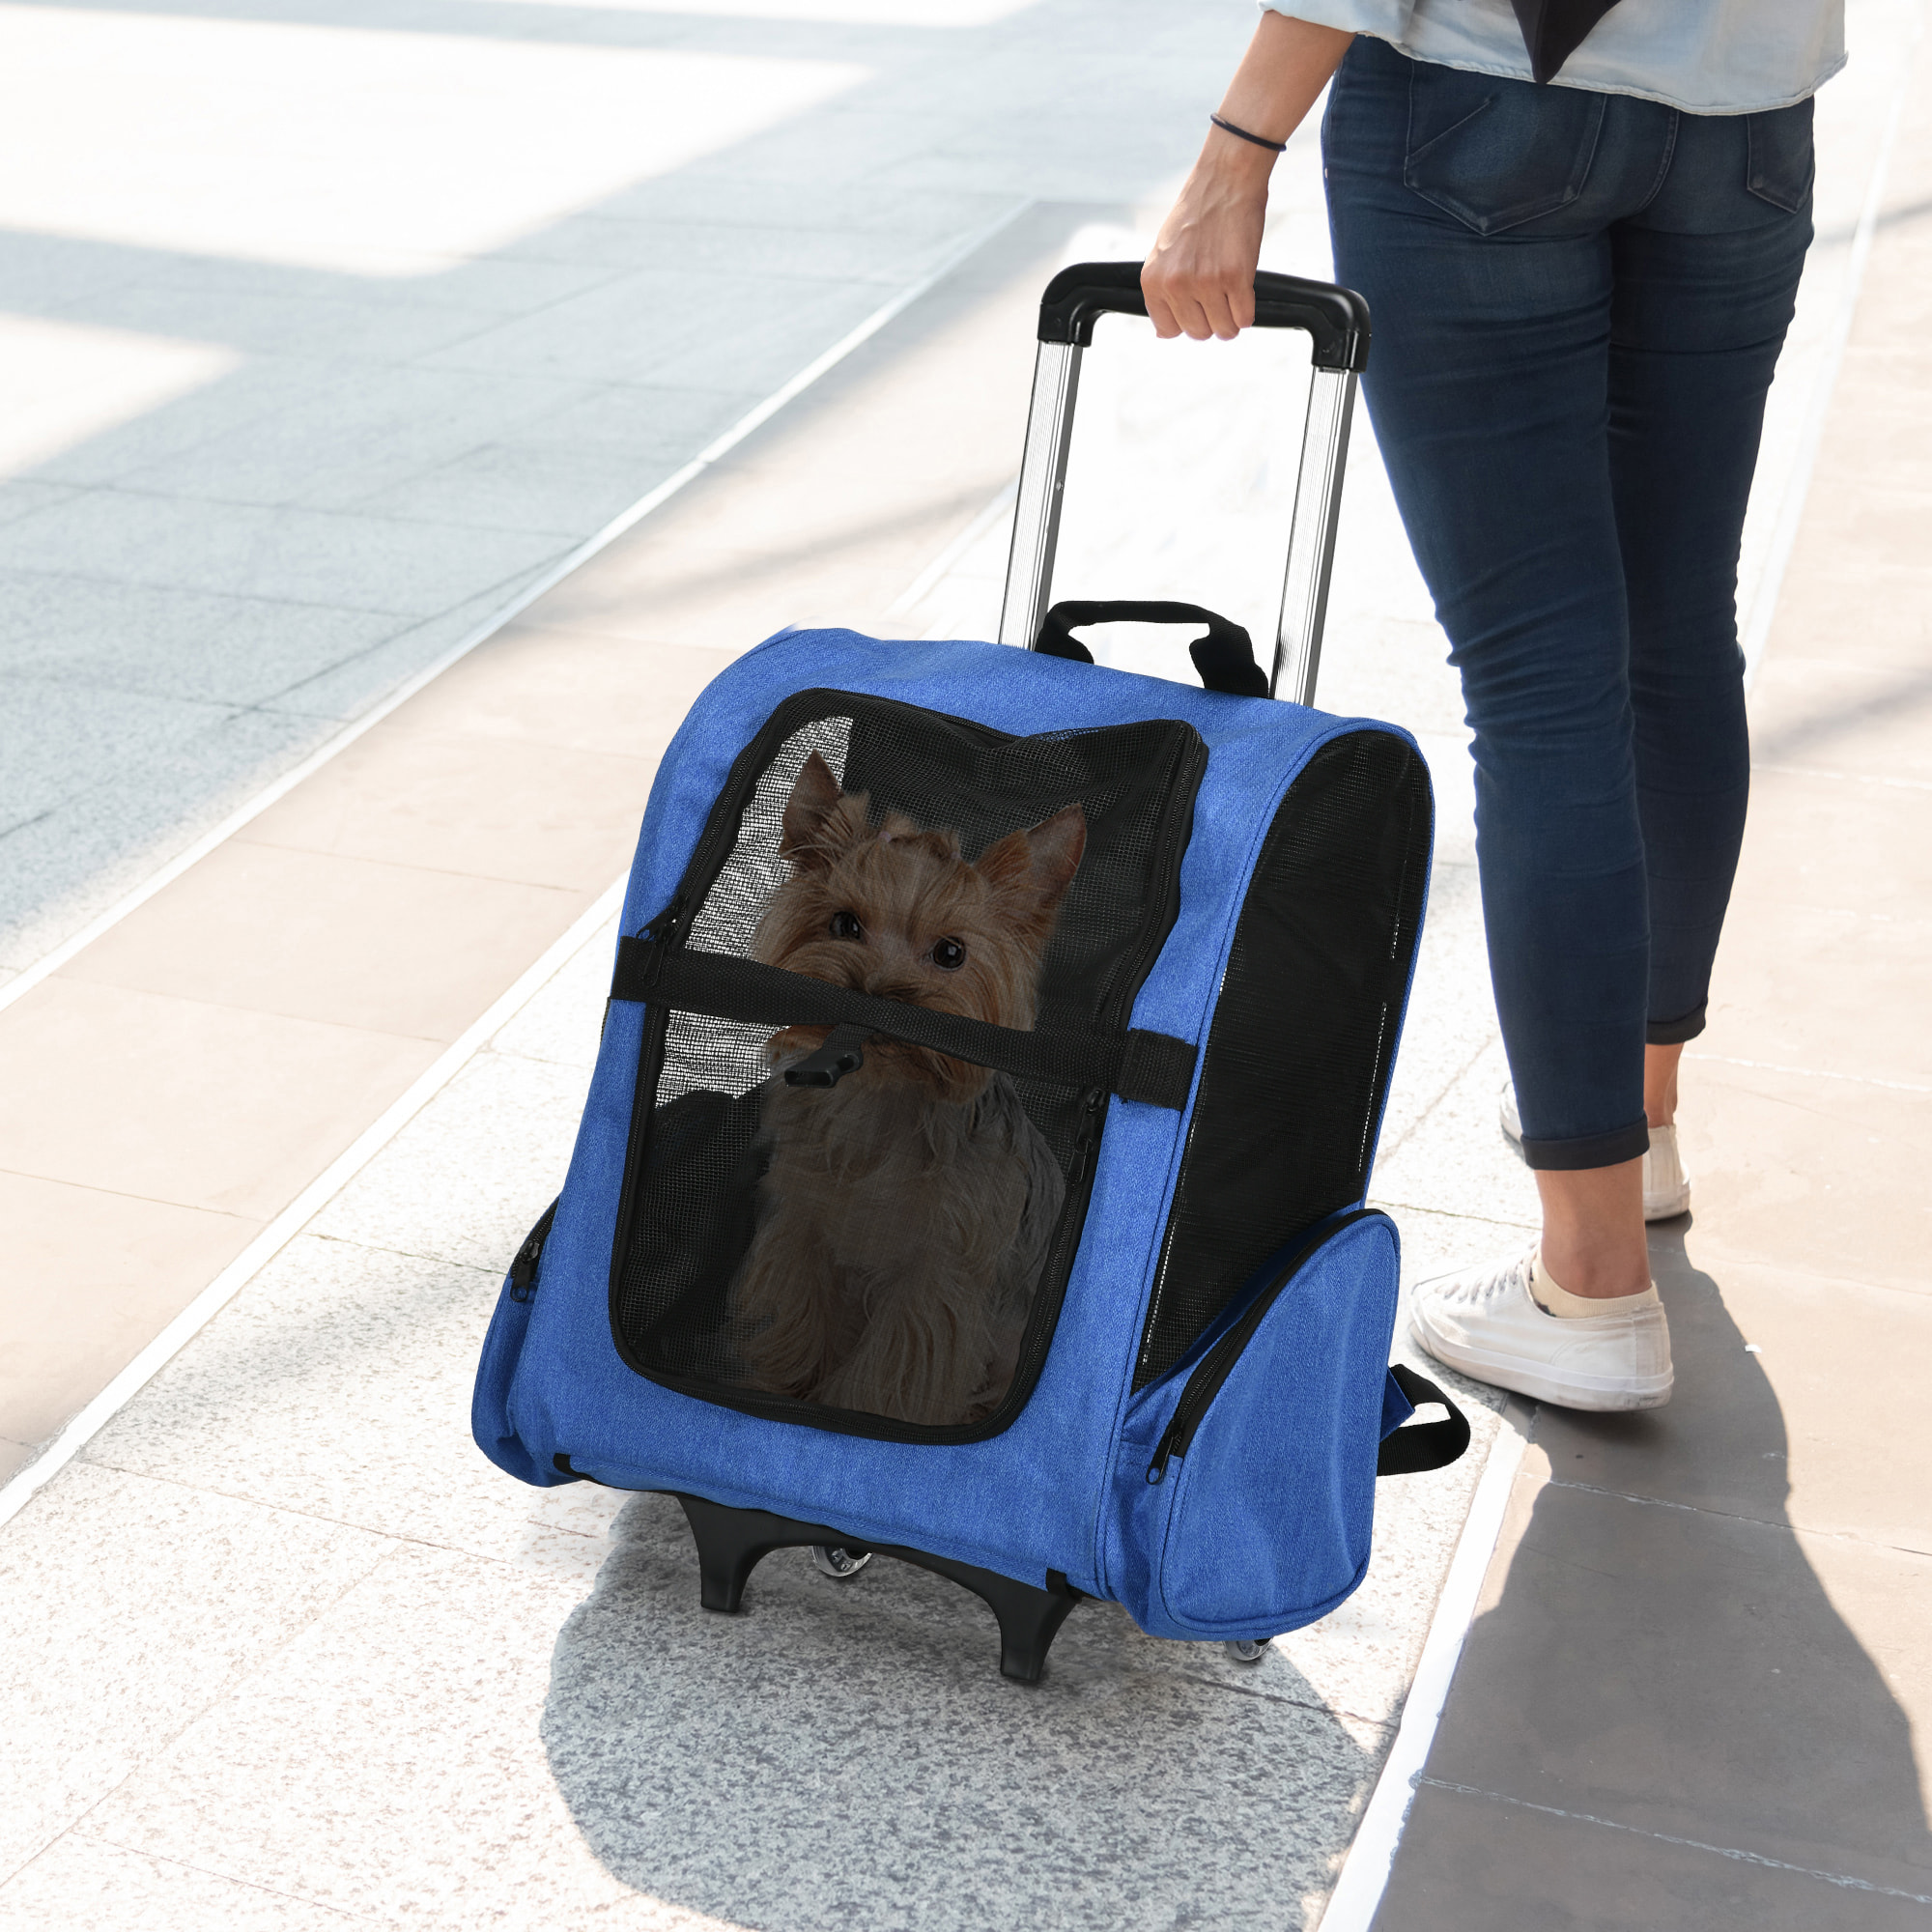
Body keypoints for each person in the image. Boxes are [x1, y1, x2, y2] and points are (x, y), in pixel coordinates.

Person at [1144, 2, 1841, 1410]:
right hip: (1750, 119)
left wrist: (1237, 147)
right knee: (1672, 634)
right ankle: (1635, 1138)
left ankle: (1587, 1288)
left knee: (1543, 680)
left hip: (1486, 105)